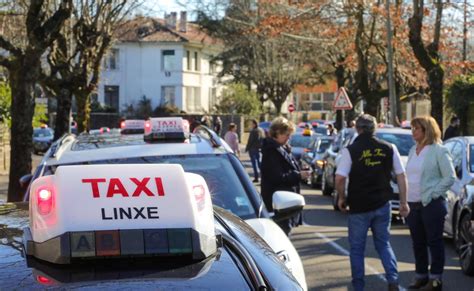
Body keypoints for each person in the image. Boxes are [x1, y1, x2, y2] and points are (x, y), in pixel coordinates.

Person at [335, 114, 409, 291]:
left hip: (359, 205)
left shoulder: (350, 150)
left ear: (357, 129)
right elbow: (401, 175)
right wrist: (404, 202)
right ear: (375, 129)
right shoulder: (389, 148)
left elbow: (339, 178)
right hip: (382, 203)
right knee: (383, 244)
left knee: (357, 249)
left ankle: (359, 285)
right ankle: (393, 280)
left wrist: (342, 198)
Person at [405, 116, 455, 290]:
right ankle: (421, 276)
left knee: (434, 242)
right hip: (412, 203)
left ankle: (435, 279)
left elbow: (450, 177)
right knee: (417, 242)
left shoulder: (438, 150)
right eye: (412, 129)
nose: (413, 132)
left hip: (431, 204)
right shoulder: (413, 149)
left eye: (416, 129)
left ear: (427, 130)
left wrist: (434, 193)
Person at [261, 117, 311, 235]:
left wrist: (301, 171)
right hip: (279, 206)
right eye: (287, 135)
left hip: (285, 204)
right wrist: (299, 175)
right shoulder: (271, 151)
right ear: (278, 133)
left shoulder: (281, 148)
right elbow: (277, 177)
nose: (289, 138)